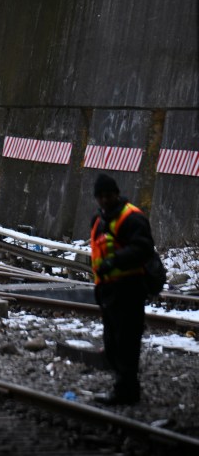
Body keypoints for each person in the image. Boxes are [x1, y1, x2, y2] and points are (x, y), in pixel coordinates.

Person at [89, 173, 155, 406]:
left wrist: (116, 261)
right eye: (101, 197)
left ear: (117, 194)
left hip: (129, 289)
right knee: (113, 342)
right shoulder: (99, 220)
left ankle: (126, 390)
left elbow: (143, 248)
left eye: (109, 195)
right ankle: (123, 386)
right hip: (108, 290)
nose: (105, 200)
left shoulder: (131, 218)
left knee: (126, 341)